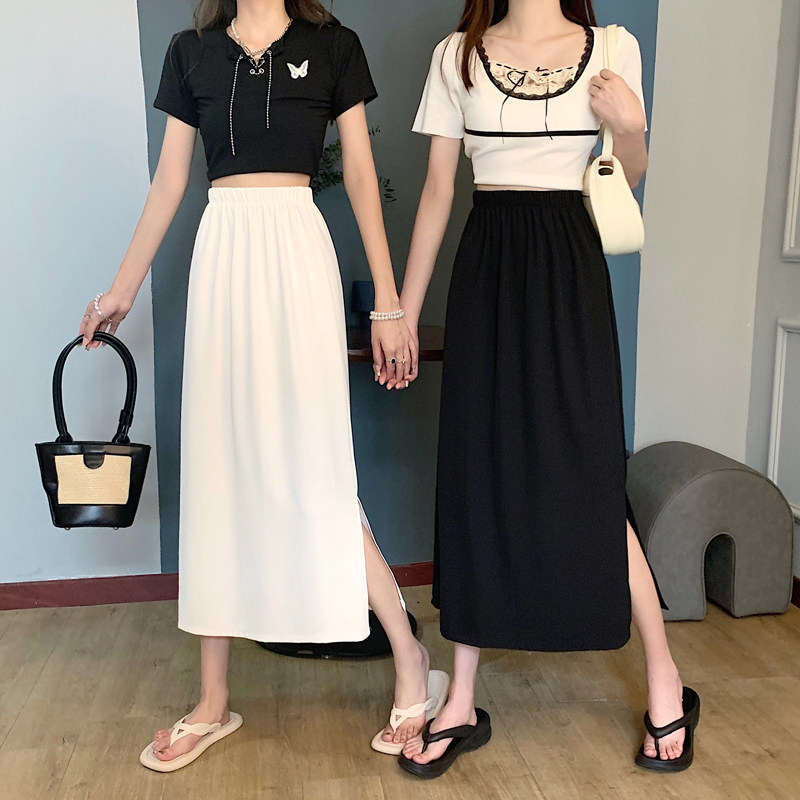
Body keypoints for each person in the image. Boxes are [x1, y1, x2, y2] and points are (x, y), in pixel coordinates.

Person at [78, 0, 447, 772]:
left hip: (297, 256)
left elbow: (358, 173)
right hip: (222, 255)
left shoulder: (333, 45)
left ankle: (410, 655)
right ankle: (213, 700)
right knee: (216, 469)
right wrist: (121, 290)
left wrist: (387, 303)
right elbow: (170, 182)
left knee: (316, 474)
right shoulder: (191, 51)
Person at [395, 0, 700, 779]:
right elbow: (438, 193)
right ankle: (462, 699)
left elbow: (625, 179)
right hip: (488, 268)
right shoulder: (456, 55)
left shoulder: (614, 47)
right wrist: (401, 312)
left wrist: (631, 129)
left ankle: (664, 676)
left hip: (569, 268)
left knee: (590, 477)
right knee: (478, 474)